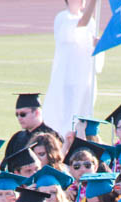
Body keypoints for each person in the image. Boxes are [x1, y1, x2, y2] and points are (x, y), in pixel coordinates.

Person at [43, 0, 101, 136]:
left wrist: (97, 46)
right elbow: (80, 25)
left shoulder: (92, 21)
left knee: (83, 112)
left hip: (85, 75)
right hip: (67, 77)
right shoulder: (63, 18)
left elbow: (90, 45)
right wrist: (93, 3)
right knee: (66, 114)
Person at [3, 94, 62, 163]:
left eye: (23, 114)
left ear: (37, 113)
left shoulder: (52, 136)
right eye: (17, 115)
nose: (19, 118)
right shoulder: (17, 138)